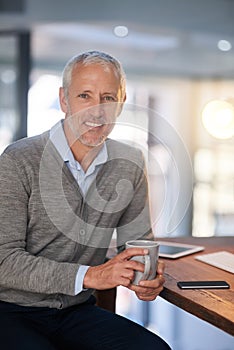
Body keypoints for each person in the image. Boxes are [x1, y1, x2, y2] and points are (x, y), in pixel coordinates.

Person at [0, 50, 171, 350]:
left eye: (107, 97)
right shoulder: (18, 160)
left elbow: (138, 246)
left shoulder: (129, 162)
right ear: (64, 100)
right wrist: (91, 275)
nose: (96, 112)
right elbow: (4, 262)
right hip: (12, 311)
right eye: (84, 96)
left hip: (76, 312)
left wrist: (146, 277)